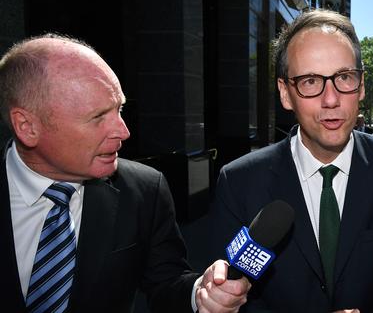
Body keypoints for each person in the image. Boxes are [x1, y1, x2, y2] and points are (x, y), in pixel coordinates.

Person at [208, 9, 373, 312]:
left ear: (361, 86)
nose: (331, 99)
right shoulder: (239, 182)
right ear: (285, 93)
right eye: (309, 81)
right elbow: (231, 298)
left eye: (344, 77)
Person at [0, 34, 250, 313]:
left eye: (119, 109)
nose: (123, 131)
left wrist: (200, 294)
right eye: (98, 117)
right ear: (27, 127)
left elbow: (166, 285)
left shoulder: (143, 189)